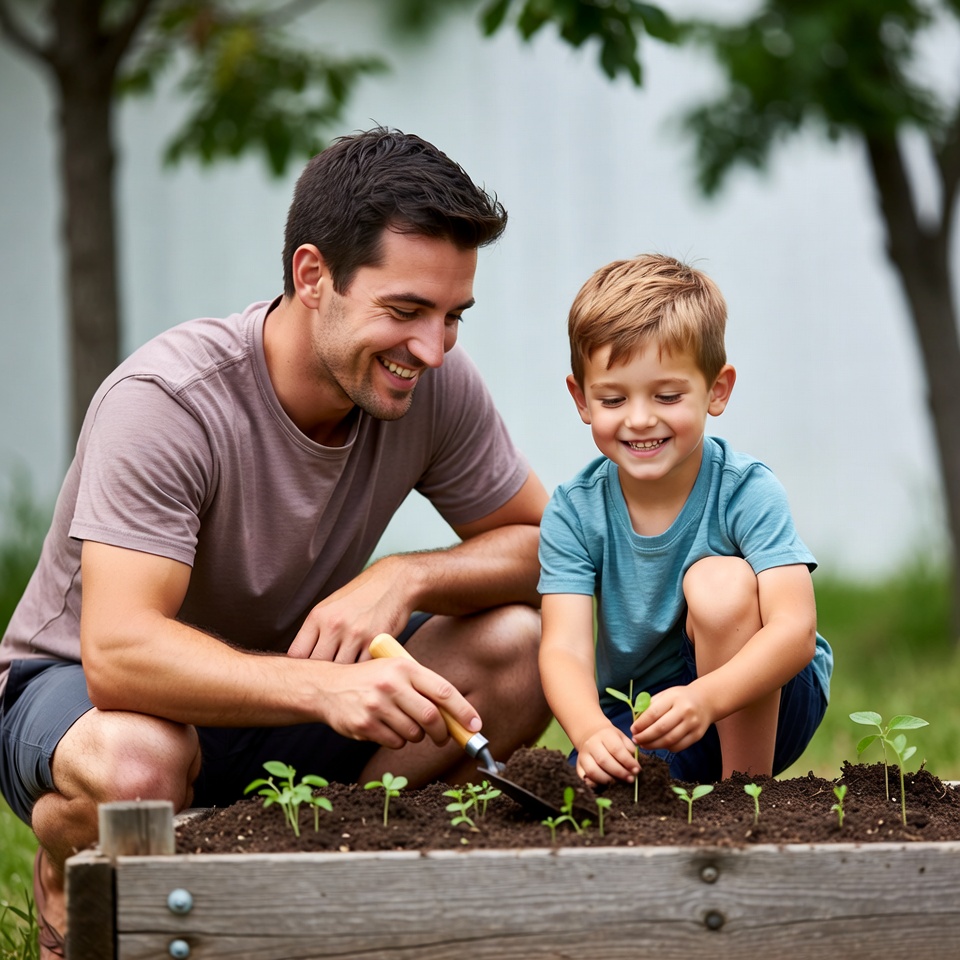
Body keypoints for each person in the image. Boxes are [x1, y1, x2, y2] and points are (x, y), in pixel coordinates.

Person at [0, 127, 551, 958]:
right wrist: (324, 690)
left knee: (521, 647)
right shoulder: (168, 402)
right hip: (92, 698)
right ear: (312, 275)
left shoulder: (429, 384)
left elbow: (551, 545)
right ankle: (73, 860)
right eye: (405, 311)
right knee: (135, 766)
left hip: (291, 687)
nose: (433, 349)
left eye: (452, 318)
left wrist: (406, 576)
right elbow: (118, 654)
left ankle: (332, 878)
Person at [538, 253, 832, 791]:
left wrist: (706, 697)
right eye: (613, 398)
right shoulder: (573, 510)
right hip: (650, 715)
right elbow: (564, 648)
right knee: (592, 791)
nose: (640, 418)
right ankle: (686, 793)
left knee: (720, 582)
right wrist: (590, 732)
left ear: (717, 390)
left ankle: (746, 794)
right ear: (581, 399)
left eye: (667, 396)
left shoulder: (746, 489)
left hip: (765, 694)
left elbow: (795, 631)